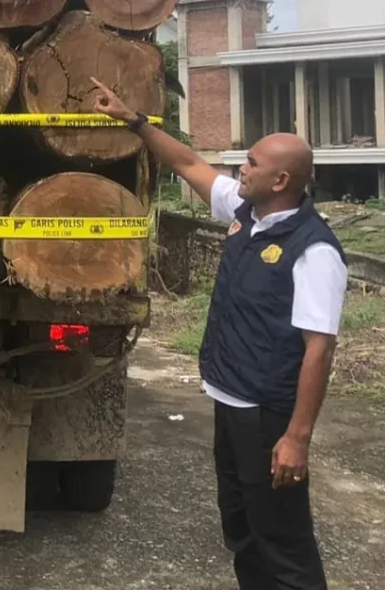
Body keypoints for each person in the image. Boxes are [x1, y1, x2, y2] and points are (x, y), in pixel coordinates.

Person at [92, 78, 346, 590]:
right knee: (243, 531)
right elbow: (188, 164)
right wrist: (134, 121)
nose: (239, 170)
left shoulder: (314, 251)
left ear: (280, 181)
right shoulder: (246, 213)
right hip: (230, 401)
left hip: (267, 414)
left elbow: (318, 351)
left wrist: (296, 439)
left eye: (251, 163)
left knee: (283, 541)